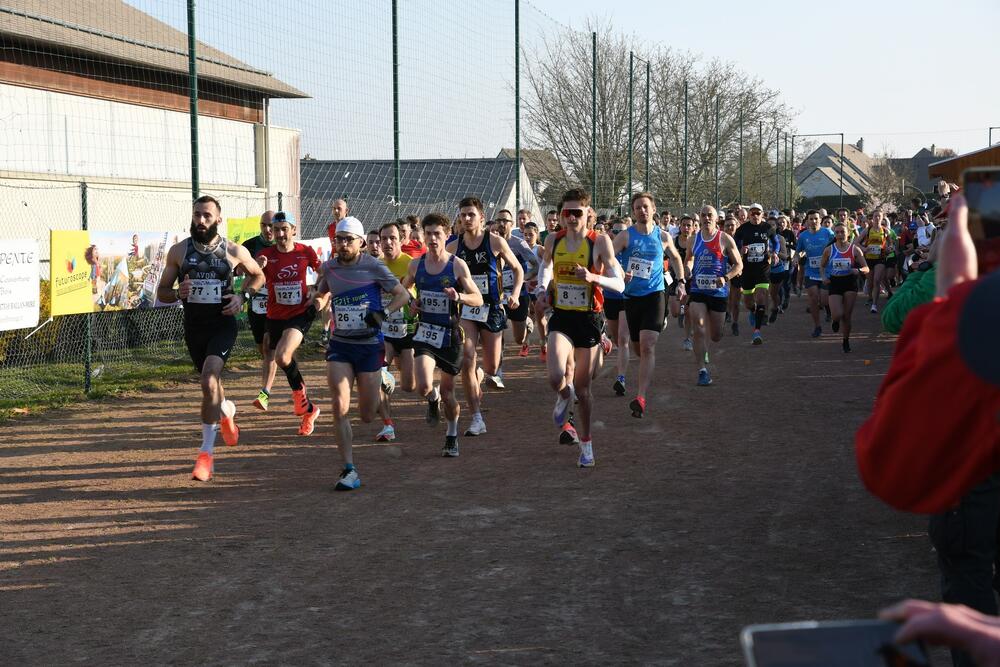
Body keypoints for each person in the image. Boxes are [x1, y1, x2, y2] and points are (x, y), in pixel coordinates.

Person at [156, 195, 264, 482]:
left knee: (208, 378)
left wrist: (242, 296)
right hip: (194, 327)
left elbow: (259, 276)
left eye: (206, 215)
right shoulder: (179, 251)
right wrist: (177, 293)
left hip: (222, 324)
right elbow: (162, 292)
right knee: (212, 387)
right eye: (196, 215)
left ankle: (205, 454)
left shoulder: (232, 250)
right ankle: (227, 411)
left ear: (218, 218)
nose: (200, 221)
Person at [317, 217, 410, 490]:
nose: (343, 245)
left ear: (360, 242)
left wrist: (383, 312)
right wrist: (319, 300)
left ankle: (383, 380)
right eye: (339, 240)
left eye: (348, 240)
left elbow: (402, 295)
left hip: (369, 346)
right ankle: (349, 469)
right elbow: (323, 293)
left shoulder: (373, 266)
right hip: (341, 345)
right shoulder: (329, 268)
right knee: (339, 405)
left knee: (367, 415)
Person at [535, 188, 624, 467]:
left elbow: (619, 283)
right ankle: (564, 395)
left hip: (589, 318)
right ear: (561, 216)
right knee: (556, 376)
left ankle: (586, 444)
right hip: (561, 315)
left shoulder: (600, 243)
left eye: (577, 212)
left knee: (584, 390)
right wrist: (541, 286)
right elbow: (546, 267)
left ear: (587, 214)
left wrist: (593, 277)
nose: (572, 217)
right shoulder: (553, 239)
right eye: (566, 213)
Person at [402, 213, 484, 457]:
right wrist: (413, 303)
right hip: (426, 331)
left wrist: (458, 297)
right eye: (428, 234)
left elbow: (477, 298)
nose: (433, 238)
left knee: (449, 394)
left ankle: (451, 433)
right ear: (423, 236)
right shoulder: (416, 264)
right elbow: (404, 289)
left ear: (447, 235)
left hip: (450, 335)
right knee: (424, 386)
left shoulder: (457, 265)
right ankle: (431, 397)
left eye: (437, 234)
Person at [447, 197, 524, 436]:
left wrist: (516, 294)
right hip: (467, 308)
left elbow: (517, 269)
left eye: (471, 214)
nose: (466, 219)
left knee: (491, 367)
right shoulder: (453, 246)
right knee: (467, 358)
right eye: (463, 215)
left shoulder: (495, 241)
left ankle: (482, 374)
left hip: (491, 308)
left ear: (481, 217)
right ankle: (476, 418)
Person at [612, 192, 686, 418]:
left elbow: (674, 258)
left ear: (653, 209)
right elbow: (609, 257)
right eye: (637, 208)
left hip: (655, 294)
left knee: (647, 345)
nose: (642, 211)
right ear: (633, 212)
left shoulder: (662, 236)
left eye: (645, 206)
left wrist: (681, 282)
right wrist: (619, 272)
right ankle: (648, 337)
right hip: (631, 298)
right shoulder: (625, 236)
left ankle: (641, 397)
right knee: (637, 348)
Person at [257, 211, 328, 436]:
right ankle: (309, 409)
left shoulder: (304, 251)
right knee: (273, 354)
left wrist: (317, 290)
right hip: (274, 315)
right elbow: (247, 274)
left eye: (284, 229)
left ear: (293, 230)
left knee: (283, 356)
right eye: (276, 229)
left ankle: (300, 400)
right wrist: (256, 267)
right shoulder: (265, 254)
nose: (279, 234)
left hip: (299, 313)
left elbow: (325, 272)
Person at [685, 205, 743, 386]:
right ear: (699, 219)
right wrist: (687, 269)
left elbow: (739, 265)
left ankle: (708, 342)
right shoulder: (693, 239)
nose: (706, 218)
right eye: (703, 215)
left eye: (710, 215)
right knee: (700, 328)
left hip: (718, 292)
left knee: (716, 335)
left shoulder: (725, 239)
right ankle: (702, 370)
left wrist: (726, 278)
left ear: (717, 218)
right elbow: (689, 258)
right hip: (698, 290)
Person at [375, 220, 418, 443]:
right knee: (378, 376)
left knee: (410, 386)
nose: (388, 242)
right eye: (384, 239)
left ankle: (433, 395)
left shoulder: (411, 263)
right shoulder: (376, 266)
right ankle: (388, 426)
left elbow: (417, 296)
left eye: (393, 238)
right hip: (383, 332)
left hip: (407, 330)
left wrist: (413, 301)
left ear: (401, 240)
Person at [242, 210, 277, 410]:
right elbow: (240, 273)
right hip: (256, 303)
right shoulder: (250, 246)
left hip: (276, 305)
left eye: (271, 225)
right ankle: (277, 368)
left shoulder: (283, 245)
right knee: (262, 349)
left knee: (268, 346)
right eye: (264, 225)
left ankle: (265, 392)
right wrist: (255, 268)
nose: (268, 229)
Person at [494, 211, 540, 358]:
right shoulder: (490, 242)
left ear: (511, 224)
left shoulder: (518, 243)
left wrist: (523, 278)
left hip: (517, 294)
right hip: (497, 294)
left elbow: (535, 266)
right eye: (499, 220)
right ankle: (497, 368)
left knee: (518, 339)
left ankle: (526, 322)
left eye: (505, 221)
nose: (502, 224)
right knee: (496, 331)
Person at [732, 203, 778, 345]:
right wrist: (741, 250)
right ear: (749, 214)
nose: (755, 215)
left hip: (763, 267)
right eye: (752, 213)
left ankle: (757, 331)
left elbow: (775, 242)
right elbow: (734, 244)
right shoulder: (742, 229)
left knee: (761, 295)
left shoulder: (767, 228)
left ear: (762, 214)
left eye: (758, 213)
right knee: (748, 302)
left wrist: (774, 253)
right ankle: (754, 311)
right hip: (747, 269)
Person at [819, 221, 869, 352]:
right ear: (834, 234)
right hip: (835, 282)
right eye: (837, 232)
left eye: (843, 232)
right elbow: (822, 266)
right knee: (837, 314)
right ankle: (835, 321)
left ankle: (845, 341)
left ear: (848, 233)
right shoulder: (829, 250)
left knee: (847, 316)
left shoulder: (854, 249)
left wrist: (858, 271)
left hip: (850, 283)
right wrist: (823, 277)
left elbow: (866, 268)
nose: (840, 234)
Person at [797, 210, 836, 338]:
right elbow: (799, 251)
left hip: (826, 271)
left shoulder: (828, 233)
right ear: (807, 221)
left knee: (824, 300)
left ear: (820, 220)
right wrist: (796, 257)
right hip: (811, 271)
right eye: (811, 219)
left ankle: (829, 311)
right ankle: (817, 326)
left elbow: (836, 247)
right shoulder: (803, 236)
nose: (813, 221)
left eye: (816, 219)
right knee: (813, 299)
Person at [605, 220, 630, 396]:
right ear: (610, 233)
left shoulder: (631, 250)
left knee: (623, 339)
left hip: (627, 298)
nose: (618, 234)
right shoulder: (606, 252)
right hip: (609, 298)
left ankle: (621, 377)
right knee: (615, 337)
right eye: (615, 231)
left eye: (622, 231)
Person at [858, 210, 889, 314]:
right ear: (872, 218)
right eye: (875, 216)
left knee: (876, 280)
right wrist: (864, 248)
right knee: (870, 282)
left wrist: (889, 249)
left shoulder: (885, 231)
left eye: (879, 216)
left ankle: (874, 305)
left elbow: (891, 244)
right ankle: (870, 297)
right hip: (869, 259)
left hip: (880, 258)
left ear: (882, 217)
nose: (877, 218)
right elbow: (855, 243)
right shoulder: (867, 230)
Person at [722, 216, 742, 334]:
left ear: (737, 226)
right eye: (727, 225)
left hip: (737, 273)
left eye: (732, 225)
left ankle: (735, 322)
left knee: (735, 301)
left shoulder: (741, 240)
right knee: (724, 299)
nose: (729, 228)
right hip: (723, 273)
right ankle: (725, 317)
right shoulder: (721, 240)